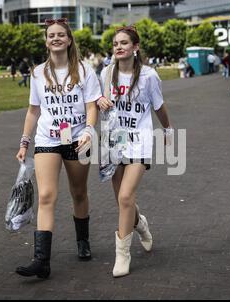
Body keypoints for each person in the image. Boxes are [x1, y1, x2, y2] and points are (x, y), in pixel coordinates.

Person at [15, 18, 102, 279]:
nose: (55, 38)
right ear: (46, 41)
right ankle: (41, 260)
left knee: (78, 193)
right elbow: (33, 110)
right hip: (47, 140)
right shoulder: (38, 73)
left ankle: (83, 241)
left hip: (78, 140)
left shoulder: (85, 70)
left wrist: (88, 130)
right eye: (51, 35)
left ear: (69, 39)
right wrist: (24, 140)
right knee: (46, 196)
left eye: (60, 35)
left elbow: (91, 106)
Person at [97, 25, 173, 277]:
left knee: (126, 197)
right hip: (114, 141)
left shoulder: (149, 76)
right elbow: (96, 102)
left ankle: (122, 255)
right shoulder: (106, 73)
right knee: (122, 201)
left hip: (139, 141)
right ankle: (140, 224)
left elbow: (159, 106)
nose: (118, 47)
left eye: (124, 43)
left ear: (135, 47)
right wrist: (99, 101)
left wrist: (169, 130)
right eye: (115, 43)